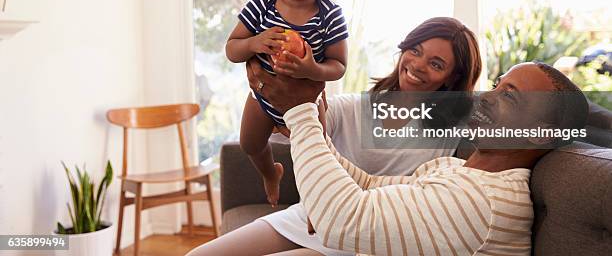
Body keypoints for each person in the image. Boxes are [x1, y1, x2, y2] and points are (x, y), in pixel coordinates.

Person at [189, 17, 482, 256]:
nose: (418, 64)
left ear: (452, 79)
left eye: (436, 64)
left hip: (359, 237)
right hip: (311, 216)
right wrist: (265, 82)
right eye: (416, 50)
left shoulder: (451, 129)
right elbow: (287, 120)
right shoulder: (352, 108)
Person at [245, 61, 588, 256]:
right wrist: (313, 135)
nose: (485, 98)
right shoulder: (458, 170)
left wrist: (300, 115)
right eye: (496, 86)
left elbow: (343, 219)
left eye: (509, 97)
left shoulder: (483, 202)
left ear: (540, 133)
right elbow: (369, 185)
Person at [225, 0, 349, 207]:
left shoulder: (330, 16)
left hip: (307, 104)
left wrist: (311, 68)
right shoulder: (261, 6)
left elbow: (339, 66)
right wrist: (254, 42)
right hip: (262, 99)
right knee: (250, 143)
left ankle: (317, 206)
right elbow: (232, 48)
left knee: (315, 159)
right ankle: (271, 173)